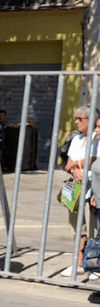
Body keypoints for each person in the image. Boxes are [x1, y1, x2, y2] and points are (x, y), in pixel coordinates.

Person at [60, 107, 96, 278]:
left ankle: (93, 263)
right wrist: (75, 170)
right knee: (77, 228)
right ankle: (79, 262)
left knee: (92, 230)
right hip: (75, 189)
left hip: (92, 190)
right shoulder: (76, 139)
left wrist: (78, 163)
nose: (76, 122)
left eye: (80, 119)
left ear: (89, 120)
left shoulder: (97, 139)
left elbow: (94, 160)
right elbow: (67, 165)